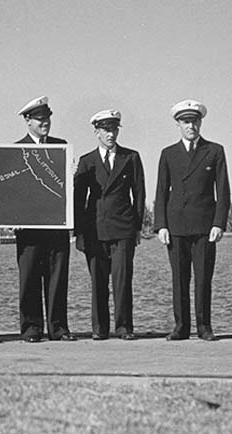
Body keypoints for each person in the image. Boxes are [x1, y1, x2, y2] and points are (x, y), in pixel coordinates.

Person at [154, 100, 230, 341]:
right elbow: (161, 191)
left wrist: (219, 223)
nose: (191, 126)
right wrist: (161, 225)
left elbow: (223, 190)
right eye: (186, 121)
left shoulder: (214, 151)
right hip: (176, 225)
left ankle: (204, 327)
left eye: (195, 121)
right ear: (178, 124)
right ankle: (181, 326)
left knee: (203, 278)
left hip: (205, 227)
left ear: (200, 123)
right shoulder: (168, 154)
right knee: (179, 279)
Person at [73, 110, 146, 340]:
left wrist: (136, 228)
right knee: (99, 283)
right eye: (106, 130)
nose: (111, 134)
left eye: (114, 129)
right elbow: (78, 200)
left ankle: (124, 328)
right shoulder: (87, 162)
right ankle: (100, 329)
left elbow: (139, 195)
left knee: (123, 281)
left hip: (123, 228)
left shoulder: (130, 158)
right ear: (97, 132)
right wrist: (78, 232)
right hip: (95, 229)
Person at [15, 96, 77, 342]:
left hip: (56, 227)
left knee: (57, 277)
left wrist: (72, 175)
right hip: (29, 229)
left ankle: (58, 327)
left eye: (47, 118)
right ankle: (31, 328)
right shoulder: (15, 149)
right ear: (27, 121)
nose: (45, 123)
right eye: (40, 119)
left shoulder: (61, 147)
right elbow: (11, 191)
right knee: (29, 278)